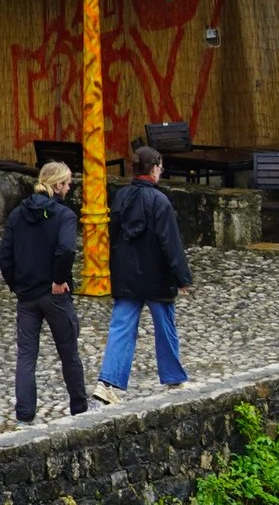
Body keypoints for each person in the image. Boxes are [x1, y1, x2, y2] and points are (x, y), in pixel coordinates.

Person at [92, 143, 190, 403]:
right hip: (156, 277)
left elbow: (113, 237)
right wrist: (182, 277)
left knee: (121, 328)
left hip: (127, 274)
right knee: (165, 328)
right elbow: (171, 243)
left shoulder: (121, 197)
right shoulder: (160, 201)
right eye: (160, 167)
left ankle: (107, 382)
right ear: (155, 169)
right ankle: (173, 378)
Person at [1, 163, 91, 425]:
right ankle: (79, 407)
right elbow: (66, 250)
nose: (70, 186)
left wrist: (17, 285)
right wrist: (59, 279)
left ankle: (24, 414)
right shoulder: (64, 216)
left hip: (27, 295)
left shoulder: (17, 214)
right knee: (68, 352)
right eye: (67, 183)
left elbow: (5, 256)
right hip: (55, 294)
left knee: (26, 356)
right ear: (58, 186)